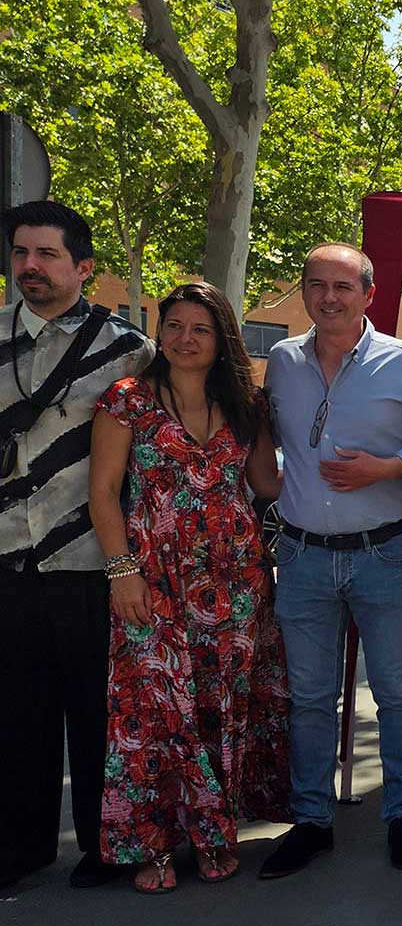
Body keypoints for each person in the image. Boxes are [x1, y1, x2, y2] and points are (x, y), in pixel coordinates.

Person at [258, 242, 402, 878]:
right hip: (302, 556)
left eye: (342, 286)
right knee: (310, 697)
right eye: (316, 284)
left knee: (399, 693)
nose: (328, 297)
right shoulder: (283, 361)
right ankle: (312, 820)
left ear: (369, 294)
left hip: (385, 553)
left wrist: (393, 466)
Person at [87, 282, 291, 892]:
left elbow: (267, 485)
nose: (184, 338)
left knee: (219, 709)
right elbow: (102, 493)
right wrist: (122, 572)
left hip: (237, 582)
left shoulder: (245, 403)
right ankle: (151, 845)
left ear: (221, 337)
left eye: (200, 328)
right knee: (152, 711)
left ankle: (213, 833)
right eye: (173, 325)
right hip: (154, 579)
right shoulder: (128, 400)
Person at [1, 200, 154, 890]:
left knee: (97, 707)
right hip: (7, 555)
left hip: (88, 559)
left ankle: (106, 843)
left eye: (46, 254)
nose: (30, 266)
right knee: (15, 709)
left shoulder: (127, 349)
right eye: (21, 253)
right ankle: (22, 846)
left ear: (83, 267)